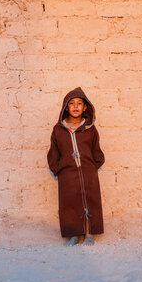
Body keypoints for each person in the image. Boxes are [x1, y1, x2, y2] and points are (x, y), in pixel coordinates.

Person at [47, 87, 105, 246]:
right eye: (71, 103)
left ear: (85, 107)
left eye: (79, 103)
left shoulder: (90, 129)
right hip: (67, 174)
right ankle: (73, 235)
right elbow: (54, 152)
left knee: (90, 201)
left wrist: (93, 167)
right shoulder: (58, 130)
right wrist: (59, 168)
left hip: (88, 172)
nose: (75, 106)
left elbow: (96, 150)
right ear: (66, 107)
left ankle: (89, 234)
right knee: (69, 203)